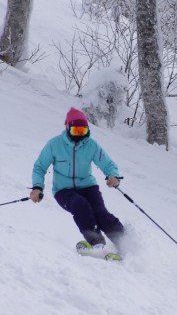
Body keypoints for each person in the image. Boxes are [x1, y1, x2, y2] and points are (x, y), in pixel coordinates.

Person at [30, 107, 124, 258]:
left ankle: (125, 242)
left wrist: (113, 176)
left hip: (88, 187)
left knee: (101, 213)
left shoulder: (91, 145)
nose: (80, 135)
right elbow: (39, 167)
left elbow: (107, 164)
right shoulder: (54, 145)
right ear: (67, 127)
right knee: (81, 206)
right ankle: (96, 243)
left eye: (83, 131)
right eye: (76, 131)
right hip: (63, 190)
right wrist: (37, 187)